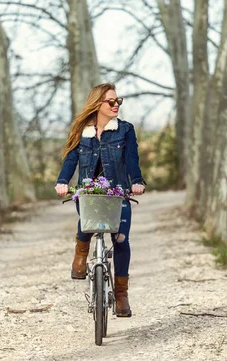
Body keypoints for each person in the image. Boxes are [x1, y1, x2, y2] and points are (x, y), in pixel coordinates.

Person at [55, 83, 146, 318]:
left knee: (121, 239)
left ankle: (121, 294)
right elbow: (71, 159)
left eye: (118, 101)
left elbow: (132, 158)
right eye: (111, 102)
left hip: (117, 192)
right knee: (87, 219)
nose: (116, 105)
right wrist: (62, 181)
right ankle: (81, 252)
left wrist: (137, 181)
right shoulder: (82, 132)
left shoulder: (125, 130)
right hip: (89, 191)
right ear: (98, 104)